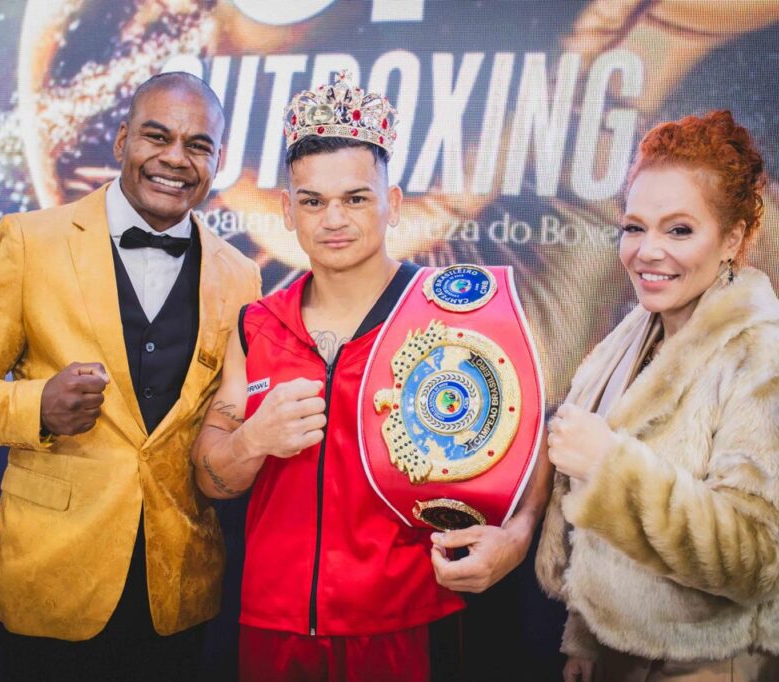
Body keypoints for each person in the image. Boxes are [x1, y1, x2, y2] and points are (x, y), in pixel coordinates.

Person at [190, 72, 551, 681]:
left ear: (395, 204)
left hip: (409, 625)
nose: (334, 219)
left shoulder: (451, 307)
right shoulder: (257, 325)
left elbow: (531, 440)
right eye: (312, 201)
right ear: (287, 210)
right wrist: (254, 440)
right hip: (273, 631)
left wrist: (516, 537)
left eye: (356, 198)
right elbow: (209, 474)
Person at [0, 71, 261, 681]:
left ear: (218, 160)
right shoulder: (31, 241)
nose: (175, 159)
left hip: (177, 588)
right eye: (156, 137)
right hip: (51, 575)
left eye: (198, 145)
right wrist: (36, 408)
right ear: (123, 139)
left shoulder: (241, 276)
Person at [537, 109, 779, 681]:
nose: (648, 251)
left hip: (712, 666)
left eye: (678, 230)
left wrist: (611, 467)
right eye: (634, 227)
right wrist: (587, 636)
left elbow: (758, 560)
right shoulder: (629, 340)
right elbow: (600, 537)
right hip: (619, 656)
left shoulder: (774, 369)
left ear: (734, 239)